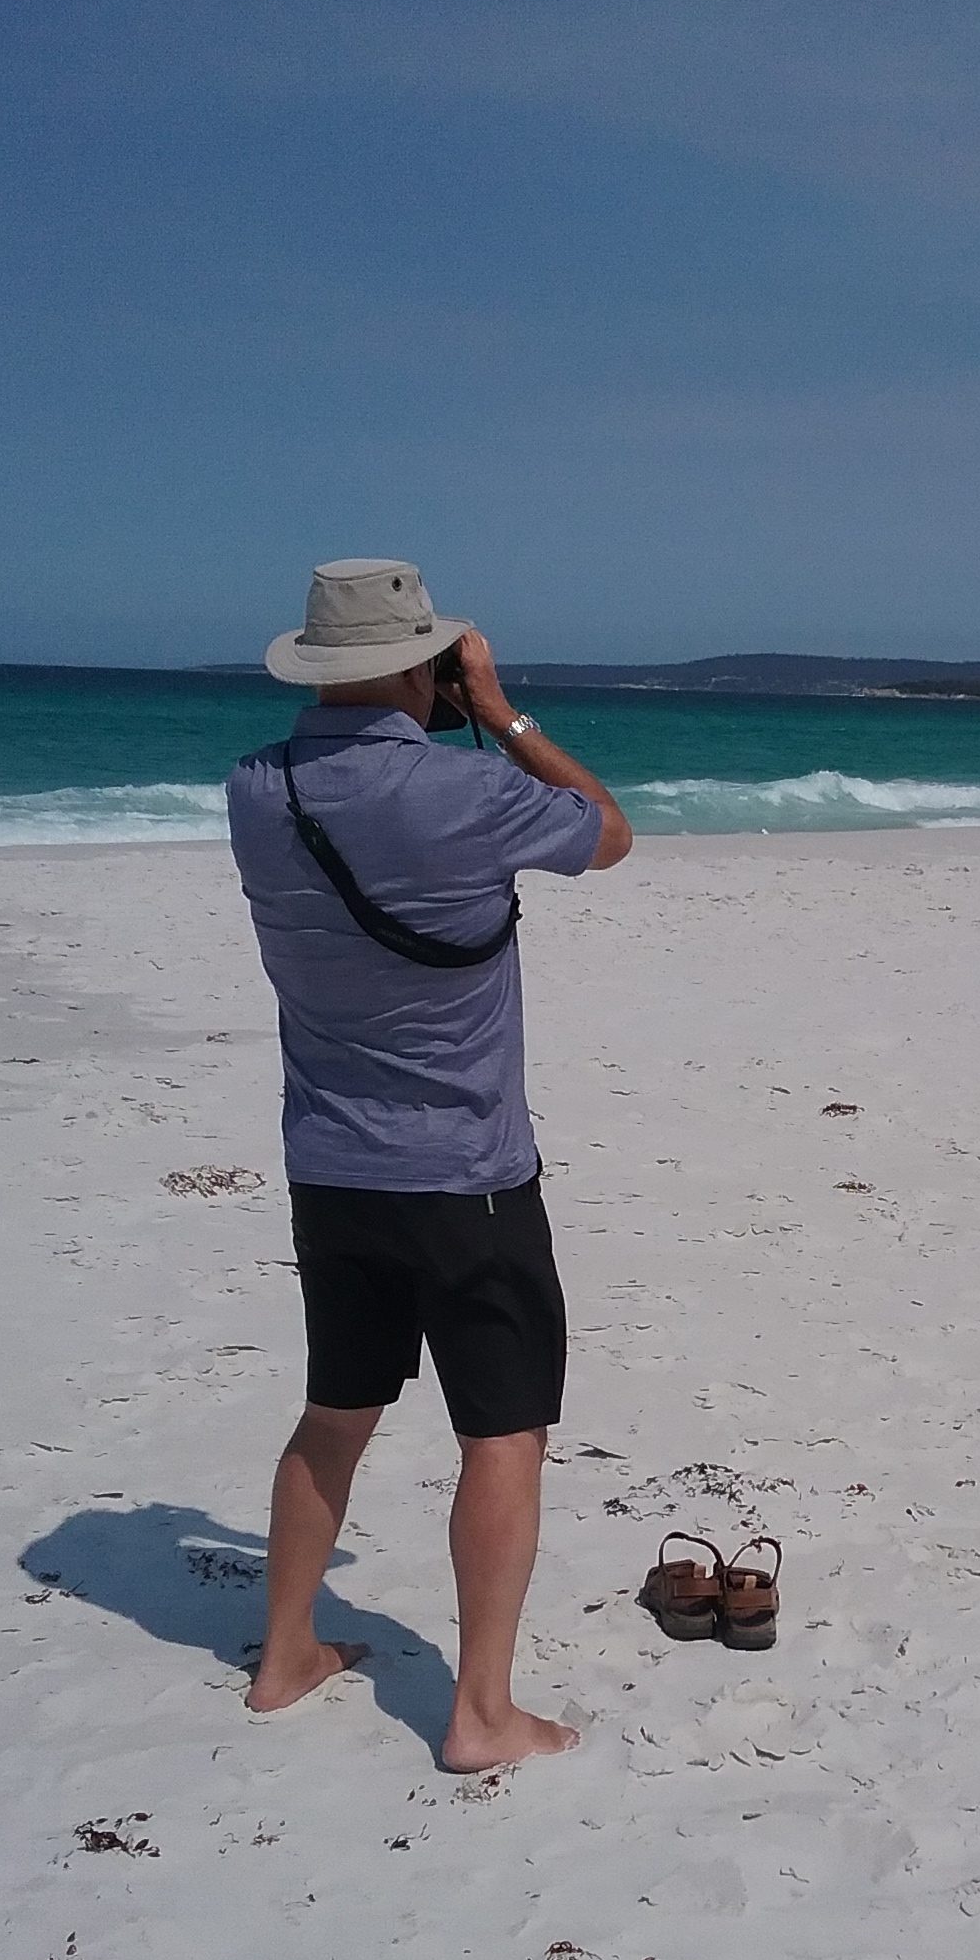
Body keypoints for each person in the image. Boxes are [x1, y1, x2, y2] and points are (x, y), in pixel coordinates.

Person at [225, 557, 631, 1767]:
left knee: (335, 1413)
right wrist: (498, 710)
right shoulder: (467, 794)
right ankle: (482, 1715)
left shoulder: (256, 789)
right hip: (469, 1173)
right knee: (501, 1434)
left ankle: (285, 1656)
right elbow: (607, 833)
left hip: (332, 1163)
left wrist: (424, 704)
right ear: (420, 662)